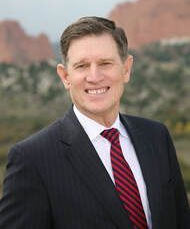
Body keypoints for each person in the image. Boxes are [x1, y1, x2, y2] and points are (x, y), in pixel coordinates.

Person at [0, 16, 189, 229]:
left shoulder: (156, 137)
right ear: (65, 77)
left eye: (105, 63)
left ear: (126, 69)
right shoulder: (32, 159)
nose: (94, 76)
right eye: (82, 66)